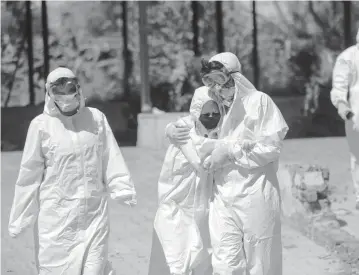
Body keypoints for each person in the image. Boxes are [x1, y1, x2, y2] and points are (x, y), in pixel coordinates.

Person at [166, 52, 289, 275]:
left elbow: (271, 147)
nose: (215, 87)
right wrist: (172, 129)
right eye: (208, 81)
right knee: (225, 263)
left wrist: (230, 152)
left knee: (261, 262)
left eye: (219, 80)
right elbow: (193, 124)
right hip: (221, 196)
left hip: (255, 194)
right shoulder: (216, 107)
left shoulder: (258, 102)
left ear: (234, 78)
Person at [8, 67, 137, 275]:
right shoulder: (41, 126)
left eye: (70, 88)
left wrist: (121, 187)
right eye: (59, 91)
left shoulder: (95, 118)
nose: (66, 96)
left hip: (94, 215)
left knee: (95, 269)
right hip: (58, 220)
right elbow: (29, 175)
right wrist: (20, 217)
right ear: (50, 95)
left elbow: (109, 155)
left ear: (78, 89)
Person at [154, 87, 223, 275]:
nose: (210, 116)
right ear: (196, 111)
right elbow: (198, 159)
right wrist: (170, 130)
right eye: (206, 113)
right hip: (177, 206)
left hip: (206, 207)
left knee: (203, 259)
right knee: (176, 260)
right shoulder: (184, 129)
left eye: (215, 113)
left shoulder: (222, 131)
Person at [330, 28, 359, 210]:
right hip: (356, 117)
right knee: (358, 157)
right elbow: (339, 88)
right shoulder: (348, 57)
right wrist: (344, 108)